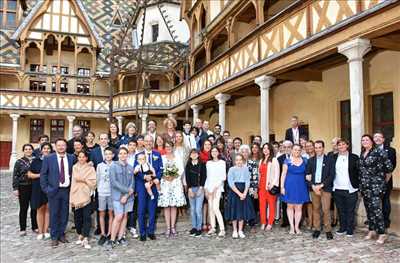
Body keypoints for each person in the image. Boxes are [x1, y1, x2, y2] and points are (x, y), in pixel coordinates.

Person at [40, 138, 76, 247]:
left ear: (66, 147)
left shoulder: (71, 158)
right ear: (55, 146)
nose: (61, 147)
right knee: (54, 213)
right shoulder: (48, 158)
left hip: (66, 190)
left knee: (64, 213)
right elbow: (43, 174)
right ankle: (54, 236)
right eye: (59, 145)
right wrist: (46, 189)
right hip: (53, 191)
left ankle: (61, 234)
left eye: (63, 145)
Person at [360, 134, 393, 244]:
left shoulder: (379, 152)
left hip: (376, 187)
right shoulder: (363, 153)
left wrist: (382, 183)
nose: (364, 141)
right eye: (363, 140)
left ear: (371, 141)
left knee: (376, 210)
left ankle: (382, 233)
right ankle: (372, 230)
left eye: (367, 140)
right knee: (369, 210)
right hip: (365, 187)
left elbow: (389, 168)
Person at [134, 135, 163, 241]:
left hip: (154, 185)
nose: (148, 143)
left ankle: (151, 231)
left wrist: (155, 178)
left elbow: (160, 169)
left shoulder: (157, 154)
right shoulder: (138, 155)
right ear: (143, 142)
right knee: (141, 209)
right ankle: (142, 232)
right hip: (142, 185)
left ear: (153, 142)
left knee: (152, 209)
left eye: (150, 141)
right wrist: (144, 177)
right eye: (146, 141)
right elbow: (135, 170)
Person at [329, 139, 359, 237]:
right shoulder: (333, 157)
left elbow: (359, 172)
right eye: (339, 145)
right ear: (337, 147)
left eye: (343, 144)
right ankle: (343, 228)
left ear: (347, 145)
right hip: (337, 188)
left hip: (351, 188)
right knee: (341, 210)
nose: (341, 146)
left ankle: (350, 229)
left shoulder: (354, 157)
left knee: (350, 210)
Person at [106, 147, 135, 249]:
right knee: (118, 217)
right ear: (118, 155)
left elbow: (132, 183)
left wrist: (127, 195)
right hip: (117, 196)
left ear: (127, 155)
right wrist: (126, 192)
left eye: (125, 153)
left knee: (125, 216)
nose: (123, 155)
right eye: (121, 153)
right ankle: (112, 240)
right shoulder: (113, 166)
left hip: (128, 198)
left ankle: (120, 238)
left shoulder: (130, 168)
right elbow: (114, 183)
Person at [305, 140, 333, 240]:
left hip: (325, 188)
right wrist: (313, 186)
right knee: (316, 209)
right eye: (316, 147)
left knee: (326, 210)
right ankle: (317, 229)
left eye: (319, 147)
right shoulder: (310, 160)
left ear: (323, 148)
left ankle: (328, 230)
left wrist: (321, 185)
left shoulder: (329, 159)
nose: (317, 149)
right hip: (313, 188)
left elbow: (331, 175)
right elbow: (307, 176)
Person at [158, 141, 186, 237]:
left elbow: (181, 169)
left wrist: (173, 177)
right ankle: (168, 227)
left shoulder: (177, 158)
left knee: (173, 205)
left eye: (170, 146)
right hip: (165, 183)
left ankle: (173, 227)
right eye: (166, 146)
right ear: (165, 148)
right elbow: (159, 169)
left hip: (175, 182)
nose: (168, 148)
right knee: (166, 206)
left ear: (172, 147)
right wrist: (164, 177)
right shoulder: (162, 158)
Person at [280, 144, 309, 234]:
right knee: (290, 206)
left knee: (299, 207)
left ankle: (297, 227)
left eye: (298, 150)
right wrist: (282, 187)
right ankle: (292, 227)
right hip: (289, 186)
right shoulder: (287, 161)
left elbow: (308, 172)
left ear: (301, 151)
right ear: (292, 150)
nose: (297, 151)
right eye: (295, 150)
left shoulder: (305, 160)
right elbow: (283, 175)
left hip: (301, 186)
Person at [225, 154, 256, 239]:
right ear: (235, 161)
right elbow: (231, 183)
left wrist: (245, 193)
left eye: (240, 160)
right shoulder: (231, 169)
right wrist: (239, 194)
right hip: (234, 192)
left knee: (242, 211)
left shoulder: (246, 169)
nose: (239, 161)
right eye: (237, 160)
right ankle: (235, 230)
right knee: (234, 211)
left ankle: (240, 230)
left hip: (244, 191)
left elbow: (247, 181)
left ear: (243, 160)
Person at [70, 151, 96, 249]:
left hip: (87, 195)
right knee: (77, 217)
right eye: (79, 157)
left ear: (86, 158)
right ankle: (80, 233)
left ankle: (85, 236)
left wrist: (84, 179)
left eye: (83, 157)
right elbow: (75, 179)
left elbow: (93, 182)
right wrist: (85, 179)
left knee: (87, 217)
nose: (81, 159)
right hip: (76, 194)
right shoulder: (74, 167)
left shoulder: (91, 168)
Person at [28, 142, 52, 240]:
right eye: (44, 148)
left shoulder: (53, 160)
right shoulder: (35, 161)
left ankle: (46, 230)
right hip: (37, 188)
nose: (46, 150)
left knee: (47, 209)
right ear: (41, 150)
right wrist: (41, 175)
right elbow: (29, 174)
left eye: (48, 148)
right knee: (39, 209)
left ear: (50, 150)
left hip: (49, 188)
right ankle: (40, 231)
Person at [13, 143, 38, 236]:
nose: (28, 150)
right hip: (23, 186)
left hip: (34, 186)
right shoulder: (19, 162)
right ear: (23, 151)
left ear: (32, 150)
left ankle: (35, 226)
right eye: (26, 149)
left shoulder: (36, 160)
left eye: (30, 149)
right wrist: (15, 188)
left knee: (34, 207)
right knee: (23, 208)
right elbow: (15, 175)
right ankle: (22, 228)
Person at [373, 132, 396, 230]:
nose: (377, 139)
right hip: (373, 182)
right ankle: (375, 220)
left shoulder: (390, 150)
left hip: (386, 180)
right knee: (374, 202)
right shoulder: (371, 150)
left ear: (383, 139)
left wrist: (385, 180)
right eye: (375, 137)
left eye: (379, 137)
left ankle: (386, 221)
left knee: (385, 201)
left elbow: (392, 166)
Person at [205, 147, 226, 237]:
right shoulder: (208, 163)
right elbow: (208, 176)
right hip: (209, 188)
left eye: (215, 151)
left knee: (216, 208)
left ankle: (222, 229)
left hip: (217, 188)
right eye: (212, 151)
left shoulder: (222, 162)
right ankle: (213, 227)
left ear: (218, 152)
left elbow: (223, 177)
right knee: (210, 208)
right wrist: (206, 188)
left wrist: (214, 188)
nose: (214, 152)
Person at [185, 149, 207, 237]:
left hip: (200, 189)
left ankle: (199, 228)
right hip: (191, 189)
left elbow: (204, 176)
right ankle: (194, 227)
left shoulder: (202, 165)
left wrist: (201, 188)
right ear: (190, 155)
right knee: (193, 210)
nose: (194, 155)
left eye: (195, 153)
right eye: (192, 153)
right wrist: (189, 189)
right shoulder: (188, 165)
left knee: (198, 210)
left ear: (198, 155)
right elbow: (187, 178)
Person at [258, 143, 279, 231]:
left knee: (271, 205)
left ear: (270, 150)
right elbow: (259, 174)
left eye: (267, 148)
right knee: (262, 206)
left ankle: (270, 222)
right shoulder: (261, 160)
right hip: (261, 187)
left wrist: (273, 184)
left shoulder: (274, 160)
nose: (265, 150)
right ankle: (263, 222)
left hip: (270, 187)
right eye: (264, 148)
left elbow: (277, 174)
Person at [96, 147, 115, 246]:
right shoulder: (99, 166)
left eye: (110, 154)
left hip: (112, 193)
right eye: (106, 154)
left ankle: (110, 233)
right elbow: (98, 178)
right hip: (102, 192)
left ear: (113, 155)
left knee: (111, 213)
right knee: (102, 213)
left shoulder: (115, 165)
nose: (108, 156)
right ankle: (103, 233)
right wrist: (98, 190)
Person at [240, 144, 259, 231]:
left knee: (251, 206)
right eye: (243, 152)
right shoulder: (238, 163)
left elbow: (255, 177)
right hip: (240, 189)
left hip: (250, 188)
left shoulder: (252, 163)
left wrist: (255, 191)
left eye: (246, 151)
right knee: (241, 206)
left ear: (249, 153)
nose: (244, 153)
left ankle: (252, 224)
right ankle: (242, 224)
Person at [277, 140, 293, 227]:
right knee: (284, 203)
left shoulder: (296, 157)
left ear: (292, 147)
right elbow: (279, 173)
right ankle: (286, 221)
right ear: (283, 148)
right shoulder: (279, 159)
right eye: (285, 147)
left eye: (289, 147)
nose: (287, 149)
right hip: (284, 183)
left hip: (294, 183)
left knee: (294, 202)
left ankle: (295, 220)